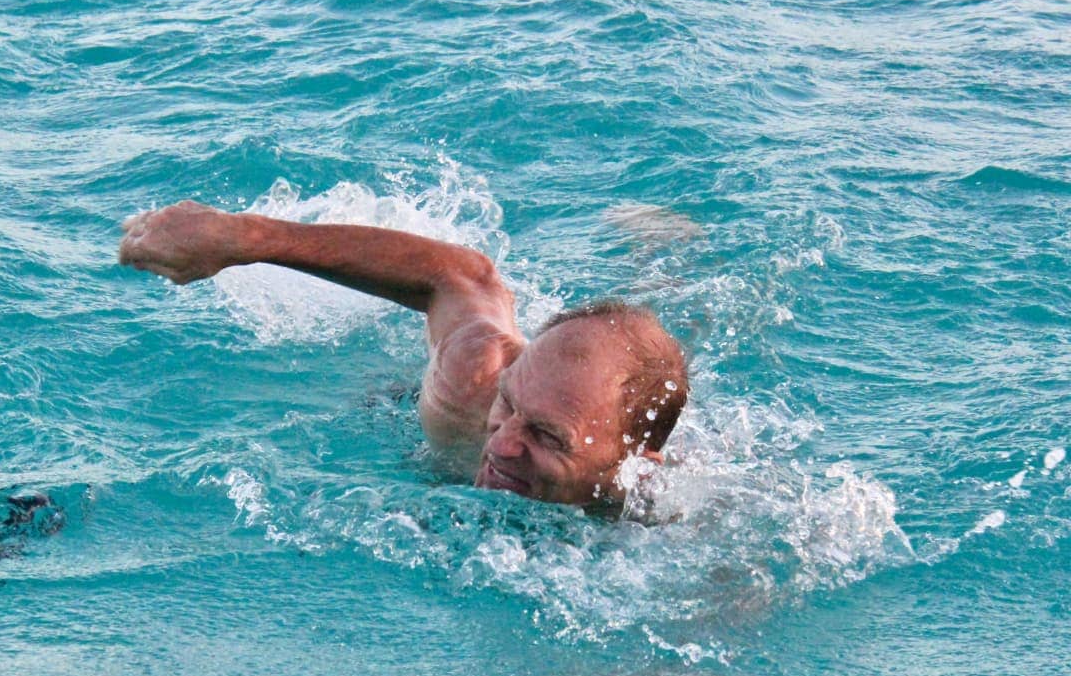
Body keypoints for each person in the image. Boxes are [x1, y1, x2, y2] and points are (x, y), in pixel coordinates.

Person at [117, 200, 688, 508]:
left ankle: (664, 250)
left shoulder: (660, 521)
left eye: (547, 436)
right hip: (410, 397)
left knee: (670, 327)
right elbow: (461, 276)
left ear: (635, 469)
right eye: (509, 406)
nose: (503, 443)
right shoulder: (476, 381)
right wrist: (245, 240)